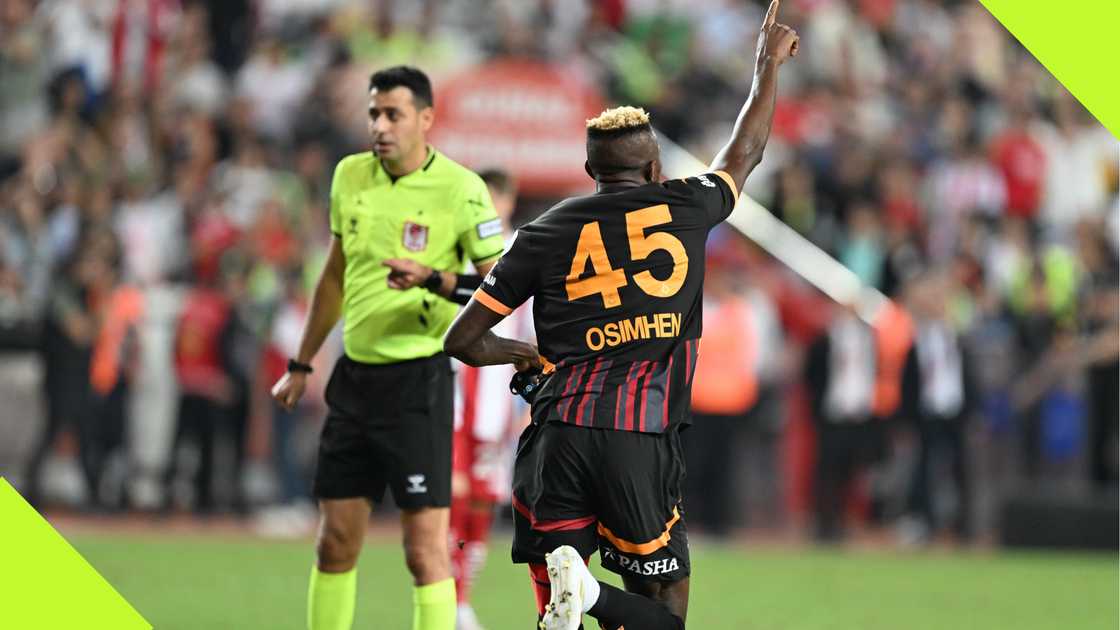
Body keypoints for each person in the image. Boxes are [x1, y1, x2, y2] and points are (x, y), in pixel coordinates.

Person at [443, 3, 799, 628]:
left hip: (557, 438)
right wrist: (765, 67)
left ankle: (580, 593)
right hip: (638, 438)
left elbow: (463, 339)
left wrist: (526, 356)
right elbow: (747, 150)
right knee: (662, 613)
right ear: (656, 168)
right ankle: (596, 596)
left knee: (556, 612)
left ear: (589, 172)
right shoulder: (687, 206)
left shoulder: (544, 231)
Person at [270, 66, 507, 630]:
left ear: (425, 119)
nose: (380, 124)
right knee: (334, 544)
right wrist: (302, 364)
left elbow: (501, 287)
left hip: (418, 381)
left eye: (393, 114)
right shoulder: (349, 175)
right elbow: (334, 274)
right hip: (354, 380)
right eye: (374, 112)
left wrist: (434, 279)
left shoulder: (462, 189)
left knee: (424, 552)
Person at [449, 168, 531, 630]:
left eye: (495, 199)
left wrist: (527, 403)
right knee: (454, 495)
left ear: (509, 200)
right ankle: (448, 597)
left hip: (499, 401)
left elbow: (534, 326)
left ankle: (461, 598)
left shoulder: (525, 248)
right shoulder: (456, 250)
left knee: (483, 499)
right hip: (454, 394)